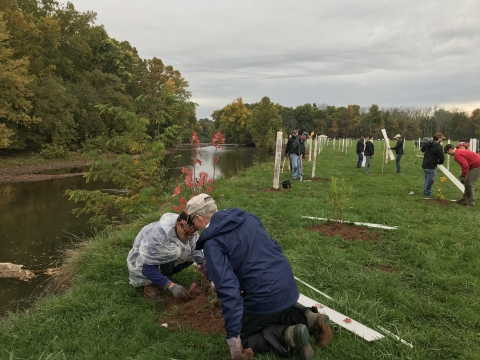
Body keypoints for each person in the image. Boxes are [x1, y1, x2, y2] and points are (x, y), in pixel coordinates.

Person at [186, 194, 332, 360]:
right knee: (273, 310)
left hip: (263, 295)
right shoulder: (248, 218)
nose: (194, 226)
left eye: (192, 221)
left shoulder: (213, 243)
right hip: (287, 286)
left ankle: (288, 335)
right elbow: (274, 247)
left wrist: (235, 345)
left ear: (199, 217)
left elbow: (229, 292)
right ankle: (310, 318)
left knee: (247, 335)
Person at [127, 212, 204, 300]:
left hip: (164, 256)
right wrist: (171, 286)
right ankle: (148, 284)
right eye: (186, 234)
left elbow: (197, 253)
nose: (188, 237)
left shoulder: (190, 230)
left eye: (190, 234)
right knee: (173, 252)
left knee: (190, 255)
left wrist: (206, 272)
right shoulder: (158, 235)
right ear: (178, 225)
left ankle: (164, 276)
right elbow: (147, 268)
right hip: (143, 264)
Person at [421, 132, 445, 197]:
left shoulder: (427, 143)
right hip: (431, 165)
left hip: (425, 164)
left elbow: (422, 149)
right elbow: (442, 157)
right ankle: (427, 193)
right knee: (430, 180)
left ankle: (425, 192)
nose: (442, 139)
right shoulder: (438, 146)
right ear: (439, 138)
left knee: (426, 179)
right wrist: (439, 162)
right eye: (441, 138)